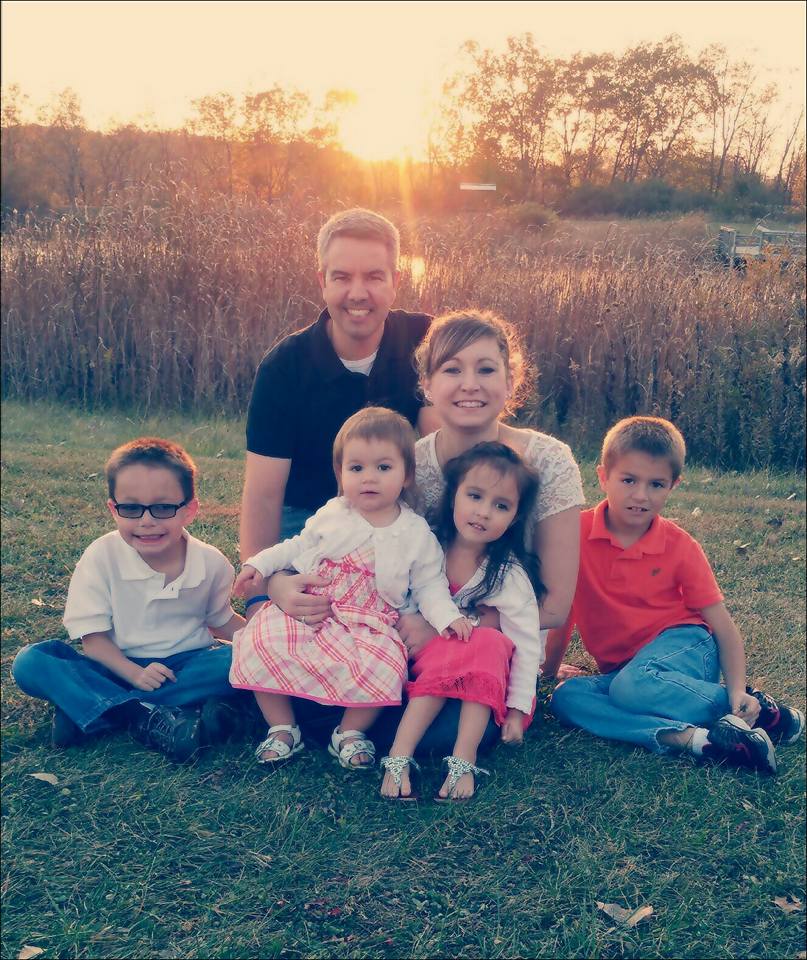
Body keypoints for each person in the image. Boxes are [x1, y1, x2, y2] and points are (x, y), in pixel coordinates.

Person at [547, 416, 804, 774]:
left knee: (631, 687)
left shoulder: (680, 546)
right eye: (628, 480)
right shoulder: (575, 534)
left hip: (686, 646)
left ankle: (764, 713)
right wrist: (546, 672)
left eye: (656, 484)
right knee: (568, 698)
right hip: (628, 672)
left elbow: (723, 629)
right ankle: (700, 741)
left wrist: (735, 689)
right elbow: (562, 612)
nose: (640, 495)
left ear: (673, 485)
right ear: (603, 476)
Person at [382, 309, 584, 752]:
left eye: (486, 369)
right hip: (415, 632)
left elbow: (553, 605)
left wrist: (448, 627)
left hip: (500, 644)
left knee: (447, 727)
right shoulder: (409, 466)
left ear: (510, 381)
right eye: (452, 369)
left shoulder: (549, 461)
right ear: (428, 385)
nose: (469, 383)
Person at [230, 408, 471, 769]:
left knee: (387, 666)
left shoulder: (415, 533)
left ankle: (349, 732)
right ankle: (282, 728)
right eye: (356, 468)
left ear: (406, 475)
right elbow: (296, 544)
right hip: (317, 608)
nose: (368, 478)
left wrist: (447, 617)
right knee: (261, 638)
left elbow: (430, 585)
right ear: (340, 475)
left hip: (370, 622)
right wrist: (259, 564)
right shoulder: (334, 513)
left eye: (383, 468)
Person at [11, 438, 245, 763]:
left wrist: (262, 641)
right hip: (115, 665)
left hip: (186, 665)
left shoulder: (211, 563)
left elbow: (221, 620)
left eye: (163, 508)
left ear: (190, 509)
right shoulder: (101, 557)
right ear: (113, 509)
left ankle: (93, 712)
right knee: (32, 661)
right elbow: (94, 642)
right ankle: (143, 715)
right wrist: (134, 674)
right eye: (131, 508)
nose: (146, 521)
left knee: (238, 662)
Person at [240, 207, 437, 586]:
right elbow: (264, 495)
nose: (357, 293)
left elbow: (440, 455)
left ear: (395, 281)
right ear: (322, 281)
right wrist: (262, 593)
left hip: (395, 509)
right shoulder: (284, 368)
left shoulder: (425, 341)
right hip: (307, 517)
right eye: (342, 277)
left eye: (374, 277)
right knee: (303, 617)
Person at [380, 443, 544, 801]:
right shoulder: (424, 545)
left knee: (488, 642)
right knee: (476, 641)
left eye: (501, 506)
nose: (483, 512)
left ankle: (462, 759)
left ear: (514, 518)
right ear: (453, 495)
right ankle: (399, 756)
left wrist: (517, 711)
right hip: (412, 662)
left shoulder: (507, 574)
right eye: (474, 496)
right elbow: (390, 591)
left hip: (474, 679)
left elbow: (528, 646)